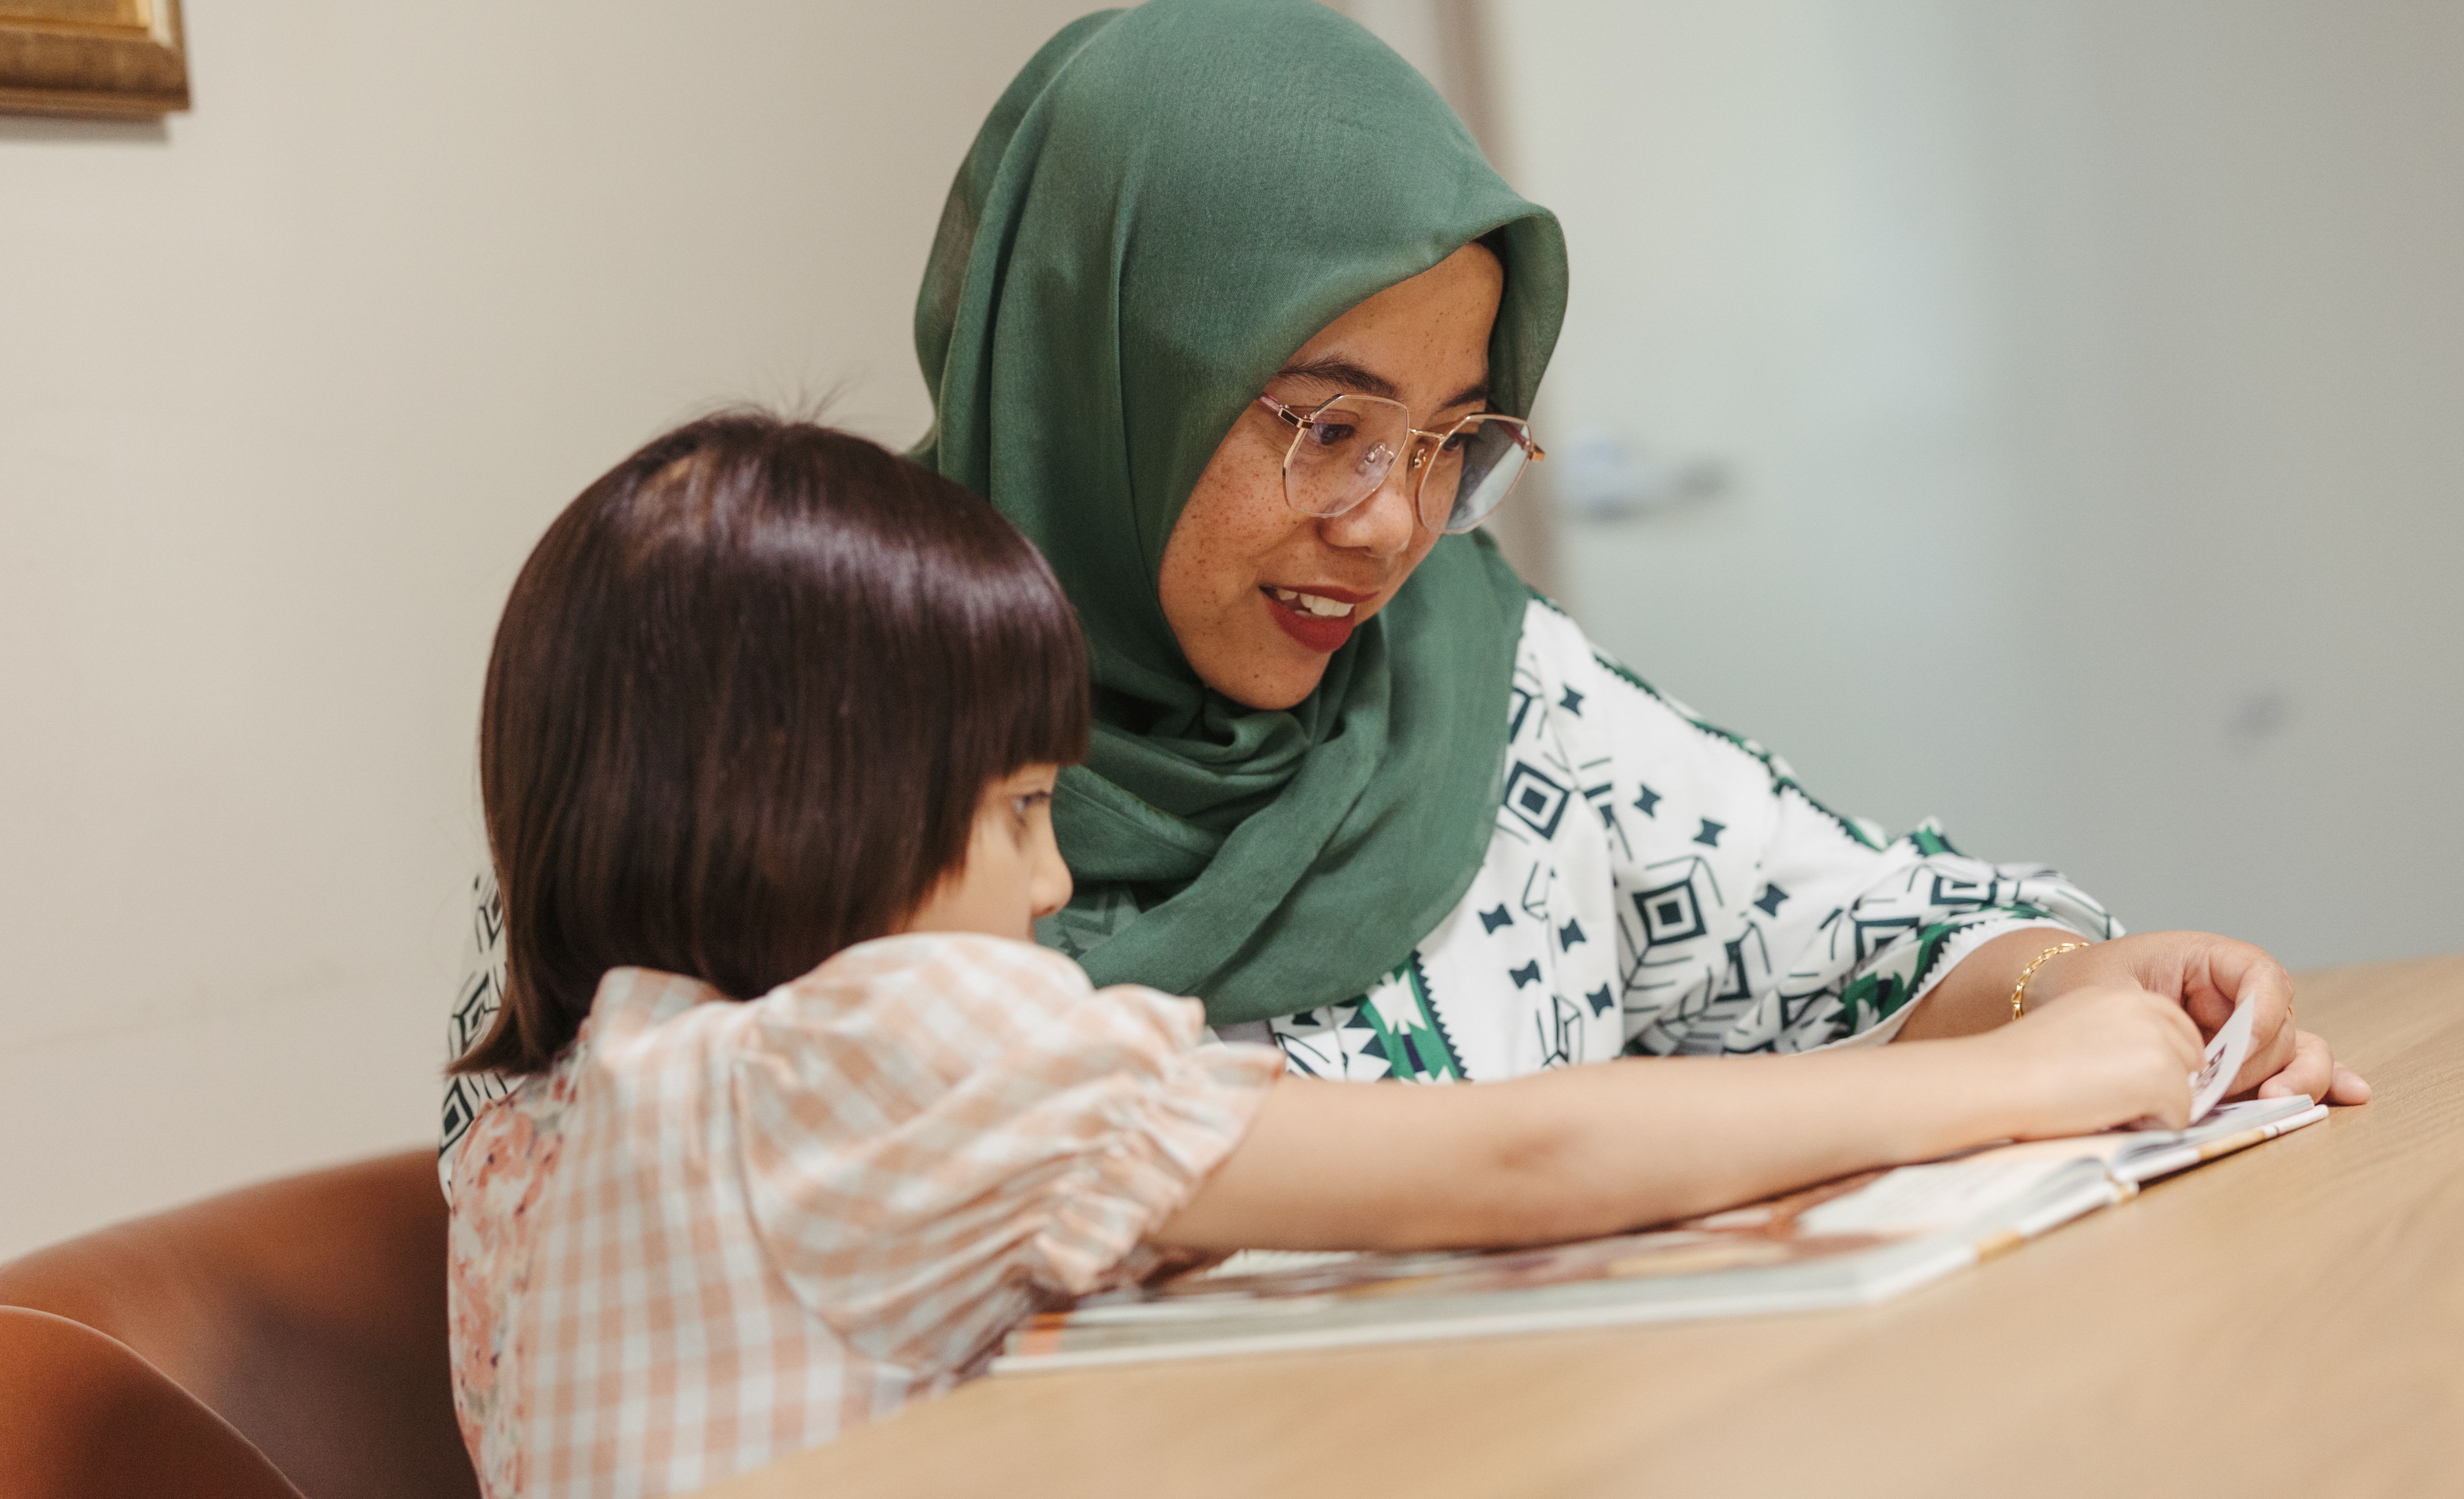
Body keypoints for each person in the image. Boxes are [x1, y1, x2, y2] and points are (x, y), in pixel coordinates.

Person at [444, 412, 2219, 1497]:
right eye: (1015, 813)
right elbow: (1524, 1156)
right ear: (795, 812)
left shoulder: (571, 1100)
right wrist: (2029, 1077)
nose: (1054, 877)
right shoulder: (884, 1049)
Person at [910, 0, 2370, 1100]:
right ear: (1092, 372)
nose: (1392, 528)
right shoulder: (848, 735)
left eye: (1448, 447)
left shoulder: (1474, 681)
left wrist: (2082, 985)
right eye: (1327, 428)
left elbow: (1854, 922)